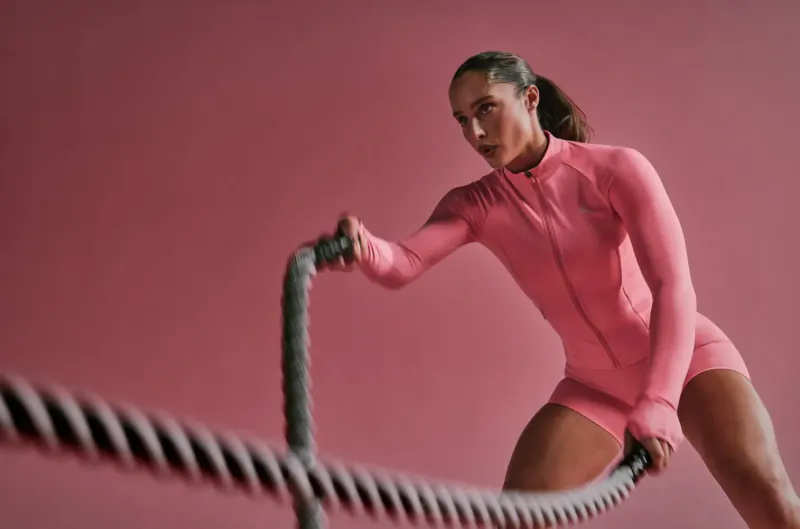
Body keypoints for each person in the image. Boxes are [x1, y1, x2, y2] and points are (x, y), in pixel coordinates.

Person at [316, 51, 799, 528]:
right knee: (516, 520)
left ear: (529, 98)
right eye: (462, 119)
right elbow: (404, 262)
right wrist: (364, 250)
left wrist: (660, 400)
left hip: (685, 358)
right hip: (593, 385)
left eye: (486, 108)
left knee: (771, 502)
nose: (475, 133)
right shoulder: (476, 203)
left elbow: (672, 286)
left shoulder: (616, 169)